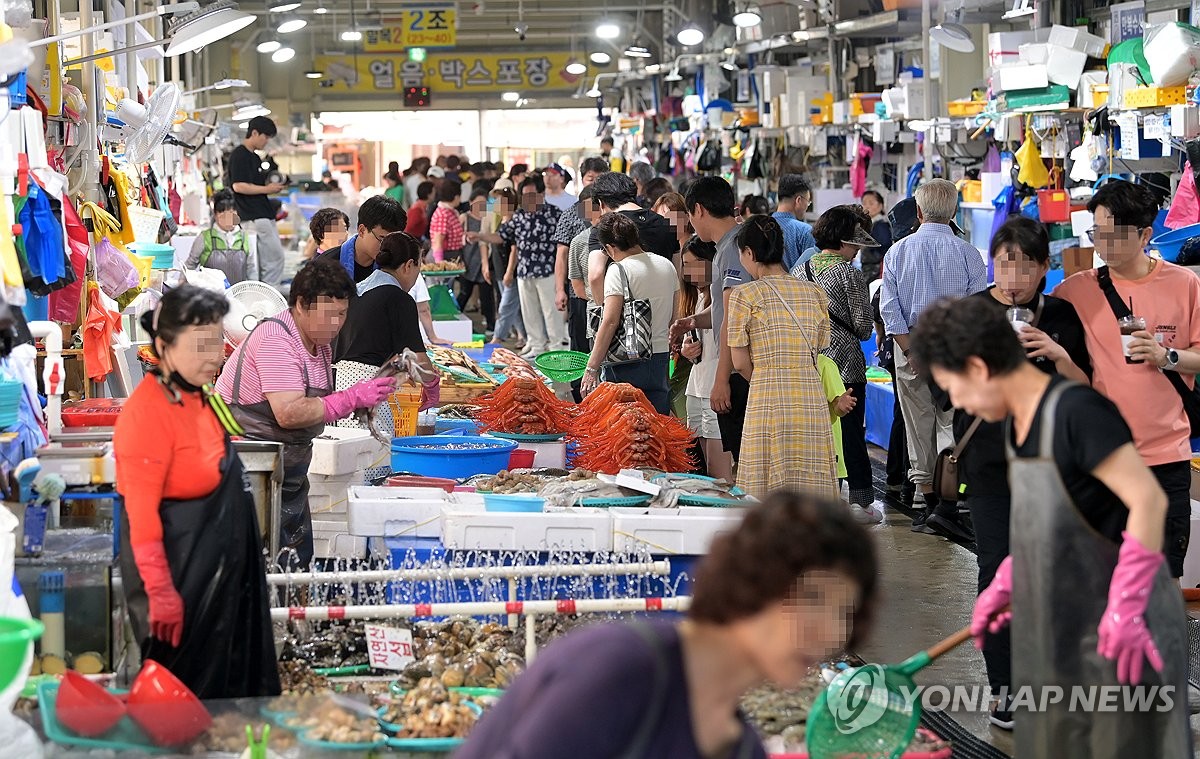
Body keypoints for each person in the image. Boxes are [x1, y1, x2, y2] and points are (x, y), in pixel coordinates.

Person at [911, 297, 1189, 759]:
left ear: (979, 368)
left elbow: (1147, 499)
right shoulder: (1019, 425)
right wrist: (1005, 582)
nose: (954, 402)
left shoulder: (1076, 410)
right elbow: (1054, 523)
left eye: (951, 387)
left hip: (1128, 624)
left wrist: (1126, 607)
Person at [459, 490, 878, 759]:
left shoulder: (742, 747)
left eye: (844, 613)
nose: (828, 632)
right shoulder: (622, 668)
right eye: (811, 600)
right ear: (757, 579)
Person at [949, 217, 1091, 727]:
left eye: (1026, 265)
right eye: (1005, 262)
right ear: (993, 262)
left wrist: (1059, 355)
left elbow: (1086, 391)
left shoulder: (1063, 316)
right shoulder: (971, 315)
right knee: (996, 575)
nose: (1014, 276)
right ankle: (1005, 689)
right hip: (990, 469)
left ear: (1043, 268)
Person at [114, 286, 280, 699]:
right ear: (163, 345)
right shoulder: (146, 414)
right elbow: (142, 515)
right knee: (181, 705)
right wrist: (160, 592)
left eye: (217, 342)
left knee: (231, 707)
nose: (215, 355)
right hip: (181, 588)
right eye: (200, 346)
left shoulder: (202, 396)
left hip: (226, 586)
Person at [1054, 180, 1200, 579]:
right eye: (1096, 234)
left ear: (1146, 235)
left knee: (1161, 578)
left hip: (1166, 459)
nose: (1103, 245)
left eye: (1113, 236)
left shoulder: (1185, 285)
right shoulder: (1075, 291)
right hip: (1101, 459)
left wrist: (1167, 356)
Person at [215, 258, 397, 569]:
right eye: (330, 315)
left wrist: (358, 401)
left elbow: (313, 407)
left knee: (295, 563)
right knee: (256, 567)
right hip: (247, 474)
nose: (337, 323)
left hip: (289, 473)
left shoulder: (319, 343)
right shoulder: (276, 339)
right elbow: (289, 413)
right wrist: (351, 398)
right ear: (301, 305)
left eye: (342, 314)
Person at [880, 178, 988, 530]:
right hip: (956, 353)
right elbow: (978, 310)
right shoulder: (969, 253)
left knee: (917, 424)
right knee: (952, 426)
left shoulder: (897, 252)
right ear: (954, 210)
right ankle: (948, 504)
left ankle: (925, 501)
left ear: (919, 211)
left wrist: (910, 351)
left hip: (910, 349)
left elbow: (890, 309)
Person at [727, 215, 838, 500]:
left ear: (749, 253)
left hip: (768, 393)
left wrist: (768, 375)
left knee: (766, 477)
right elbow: (821, 344)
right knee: (808, 477)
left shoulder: (744, 295)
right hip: (809, 394)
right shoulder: (814, 292)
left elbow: (739, 363)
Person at [799, 205, 882, 522]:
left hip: (811, 365)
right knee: (850, 434)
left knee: (816, 431)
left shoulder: (801, 270)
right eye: (855, 244)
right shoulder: (850, 274)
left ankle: (819, 495)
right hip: (845, 364)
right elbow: (863, 328)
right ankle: (859, 501)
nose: (857, 250)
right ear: (845, 242)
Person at [672, 177, 750, 461]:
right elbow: (721, 309)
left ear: (700, 210)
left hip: (739, 371)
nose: (692, 224)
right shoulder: (727, 246)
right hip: (735, 368)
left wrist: (721, 380)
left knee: (733, 469)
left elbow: (733, 318)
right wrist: (692, 321)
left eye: (690, 215)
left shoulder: (733, 248)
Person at [581, 213, 680, 414]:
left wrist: (592, 367)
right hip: (660, 357)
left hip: (626, 361)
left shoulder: (619, 270)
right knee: (657, 421)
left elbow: (609, 321)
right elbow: (674, 315)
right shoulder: (666, 265)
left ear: (610, 247)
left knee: (625, 427)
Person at [333, 232, 439, 414]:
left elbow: (367, 343)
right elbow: (420, 361)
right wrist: (432, 386)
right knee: (373, 441)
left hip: (339, 388)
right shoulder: (399, 299)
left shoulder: (355, 291)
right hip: (368, 390)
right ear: (408, 265)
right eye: (418, 268)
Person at [679, 235, 734, 481]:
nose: (689, 271)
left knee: (719, 473)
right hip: (696, 387)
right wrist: (686, 350)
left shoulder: (724, 296)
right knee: (705, 471)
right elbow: (694, 347)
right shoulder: (697, 298)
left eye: (695, 263)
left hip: (717, 387)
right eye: (686, 265)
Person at [586, 173, 680, 305]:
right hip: (663, 309)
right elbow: (677, 272)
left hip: (626, 315)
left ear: (601, 203)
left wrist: (604, 309)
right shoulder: (667, 225)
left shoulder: (605, 228)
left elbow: (595, 275)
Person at [229, 116, 286, 286]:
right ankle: (268, 300)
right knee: (273, 260)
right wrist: (267, 189)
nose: (266, 141)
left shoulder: (254, 157)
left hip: (261, 215)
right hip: (254, 217)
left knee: (266, 262)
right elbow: (238, 186)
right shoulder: (240, 155)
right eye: (265, 137)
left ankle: (266, 299)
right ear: (254, 133)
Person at [316, 194, 407, 285]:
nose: (388, 248)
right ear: (362, 230)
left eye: (393, 241)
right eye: (382, 239)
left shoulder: (394, 265)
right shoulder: (326, 265)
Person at [486, 185, 527, 348]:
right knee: (513, 308)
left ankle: (497, 338)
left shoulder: (514, 221)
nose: (495, 204)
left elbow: (514, 249)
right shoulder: (502, 220)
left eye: (498, 202)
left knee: (506, 307)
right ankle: (523, 336)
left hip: (510, 272)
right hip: (499, 270)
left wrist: (509, 272)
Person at [186, 190, 253, 283]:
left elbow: (252, 270)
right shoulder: (204, 237)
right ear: (215, 215)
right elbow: (190, 267)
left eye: (232, 212)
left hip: (239, 295)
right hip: (210, 296)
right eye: (223, 213)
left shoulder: (244, 238)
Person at [458, 187, 496, 335]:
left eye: (484, 203)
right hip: (467, 262)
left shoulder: (489, 217)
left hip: (484, 262)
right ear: (470, 203)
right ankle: (455, 318)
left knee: (486, 297)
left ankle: (491, 325)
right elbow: (457, 241)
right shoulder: (464, 218)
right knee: (464, 293)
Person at [773, 175, 817, 271]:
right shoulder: (805, 231)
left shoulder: (762, 225)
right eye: (808, 201)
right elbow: (812, 271)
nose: (807, 206)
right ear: (799, 200)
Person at [429, 180, 465, 263]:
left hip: (453, 255)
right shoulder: (443, 214)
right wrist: (440, 263)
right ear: (456, 197)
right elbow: (438, 240)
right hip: (447, 257)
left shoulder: (450, 212)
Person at [860, 189, 891, 281]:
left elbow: (885, 248)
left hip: (876, 272)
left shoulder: (881, 226)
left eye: (871, 203)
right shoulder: (869, 225)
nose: (867, 206)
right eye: (864, 203)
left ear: (880, 206)